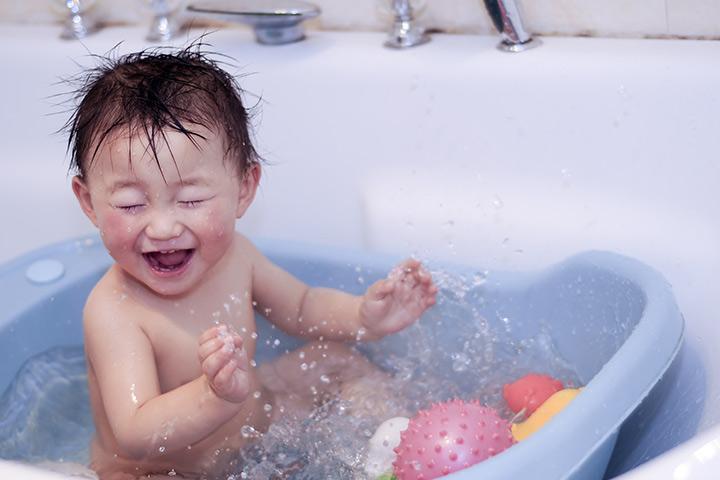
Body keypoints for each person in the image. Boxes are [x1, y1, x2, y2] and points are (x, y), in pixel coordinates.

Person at [65, 44, 437, 479]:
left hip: (252, 421)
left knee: (332, 359)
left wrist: (363, 318)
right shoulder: (116, 311)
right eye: (131, 204)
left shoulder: (236, 256)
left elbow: (302, 308)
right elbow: (136, 429)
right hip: (165, 468)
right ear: (89, 203)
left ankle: (393, 452)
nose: (163, 227)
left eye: (192, 199)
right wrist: (214, 396)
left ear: (244, 189)